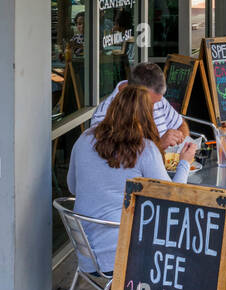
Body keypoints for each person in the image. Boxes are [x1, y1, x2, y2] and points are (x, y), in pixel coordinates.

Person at [70, 85, 196, 273]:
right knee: (188, 231)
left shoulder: (84, 139)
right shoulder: (144, 149)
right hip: (124, 257)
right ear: (147, 117)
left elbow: (72, 187)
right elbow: (173, 201)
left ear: (113, 108)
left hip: (87, 256)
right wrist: (184, 163)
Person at [90, 61, 188, 150]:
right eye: (150, 103)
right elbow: (113, 158)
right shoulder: (103, 115)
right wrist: (159, 146)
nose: (153, 108)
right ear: (133, 92)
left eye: (157, 101)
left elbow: (180, 124)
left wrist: (180, 142)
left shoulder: (158, 100)